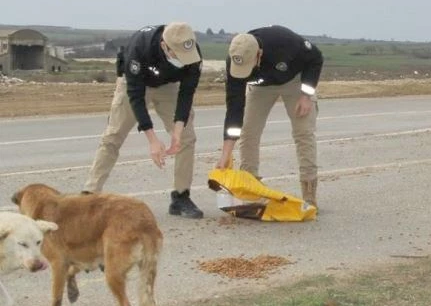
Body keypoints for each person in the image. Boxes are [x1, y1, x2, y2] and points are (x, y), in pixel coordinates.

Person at [83, 21, 205, 219]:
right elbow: (136, 97)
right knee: (113, 136)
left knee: (187, 138)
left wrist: (178, 128)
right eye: (178, 56)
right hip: (136, 86)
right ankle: (89, 195)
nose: (184, 60)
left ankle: (181, 197)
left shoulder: (192, 53)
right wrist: (153, 140)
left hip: (169, 87)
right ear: (165, 46)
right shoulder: (140, 47)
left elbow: (187, 92)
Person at [216, 25, 323, 207]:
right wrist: (226, 153)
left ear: (259, 54)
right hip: (260, 89)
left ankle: (309, 195)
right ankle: (251, 190)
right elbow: (234, 108)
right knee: (248, 133)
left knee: (303, 133)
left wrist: (306, 95)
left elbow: (316, 58)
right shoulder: (235, 61)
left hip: (294, 81)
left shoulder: (284, 42)